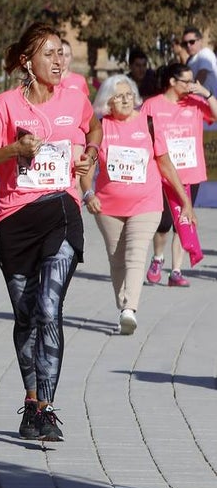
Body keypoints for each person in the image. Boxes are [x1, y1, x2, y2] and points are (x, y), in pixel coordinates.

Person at [0, 22, 101, 443]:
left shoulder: (75, 98)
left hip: (61, 209)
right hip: (15, 220)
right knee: (25, 317)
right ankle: (30, 404)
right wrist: (13, 150)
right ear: (27, 61)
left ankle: (46, 409)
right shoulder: (5, 106)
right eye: (50, 54)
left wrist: (91, 155)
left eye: (63, 53)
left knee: (48, 307)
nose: (60, 61)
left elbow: (94, 126)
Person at [81, 75, 193, 334]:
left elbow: (165, 163)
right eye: (118, 96)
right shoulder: (101, 127)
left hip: (147, 202)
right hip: (108, 206)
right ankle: (124, 306)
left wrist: (184, 200)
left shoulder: (148, 123)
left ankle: (130, 309)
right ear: (107, 102)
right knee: (116, 259)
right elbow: (88, 166)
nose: (125, 100)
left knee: (135, 253)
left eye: (129, 95)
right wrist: (88, 194)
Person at [143, 62, 217, 287]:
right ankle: (157, 259)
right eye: (186, 80)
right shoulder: (152, 105)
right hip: (162, 173)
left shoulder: (195, 102)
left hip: (190, 173)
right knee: (164, 223)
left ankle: (176, 271)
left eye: (193, 80)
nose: (191, 85)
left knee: (183, 222)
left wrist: (207, 93)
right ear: (172, 82)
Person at [181, 25, 217, 99]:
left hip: (210, 104)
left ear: (200, 41)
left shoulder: (205, 53)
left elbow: (202, 73)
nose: (188, 45)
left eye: (191, 42)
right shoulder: (191, 60)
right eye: (185, 43)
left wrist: (188, 92)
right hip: (199, 103)